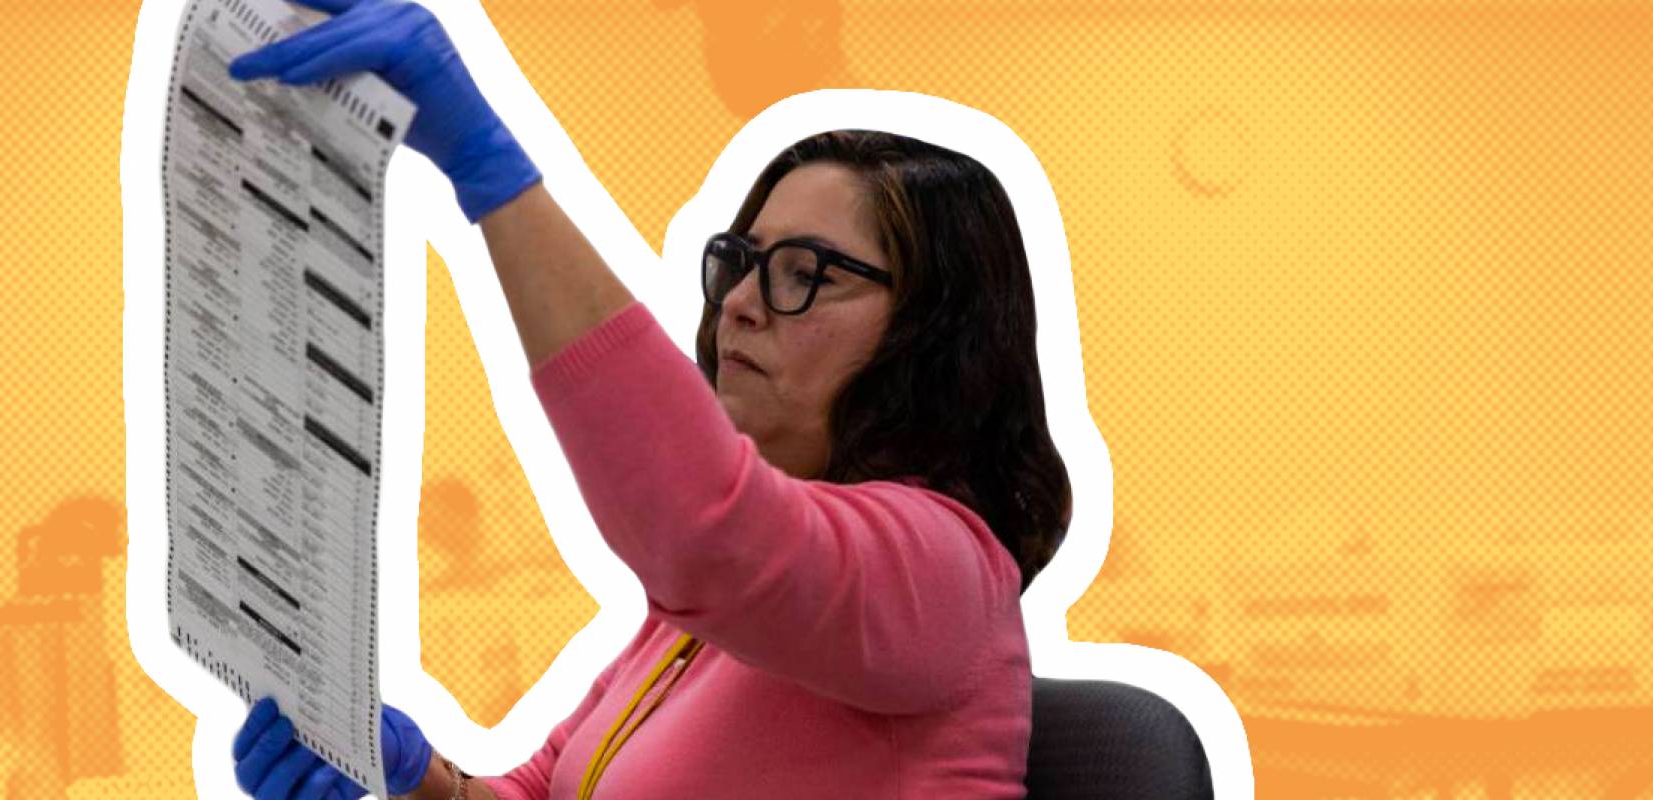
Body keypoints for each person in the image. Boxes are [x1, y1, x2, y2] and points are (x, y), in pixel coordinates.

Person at [223, 1, 1072, 797]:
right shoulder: (700, 622)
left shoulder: (944, 572)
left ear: (936, 334)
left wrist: (490, 170)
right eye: (741, 258)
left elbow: (705, 529)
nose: (738, 299)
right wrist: (413, 774)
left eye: (804, 273)